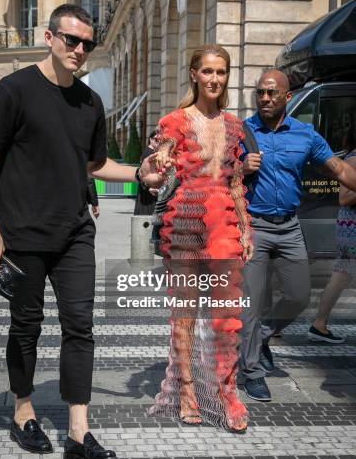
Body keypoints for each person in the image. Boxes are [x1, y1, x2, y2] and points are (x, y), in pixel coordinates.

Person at [0, 4, 160, 459]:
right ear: (49, 37)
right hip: (23, 235)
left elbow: (95, 165)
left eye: (87, 44)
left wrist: (140, 172)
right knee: (27, 327)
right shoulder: (14, 91)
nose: (79, 50)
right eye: (71, 40)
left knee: (81, 328)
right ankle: (23, 411)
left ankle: (79, 431)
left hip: (75, 232)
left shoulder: (90, 103)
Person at [149, 44, 253, 432]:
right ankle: (188, 391)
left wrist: (246, 228)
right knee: (185, 314)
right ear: (194, 74)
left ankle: (228, 393)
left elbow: (237, 182)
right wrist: (154, 165)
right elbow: (154, 165)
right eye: (208, 71)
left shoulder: (234, 126)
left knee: (227, 316)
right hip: (186, 221)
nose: (214, 79)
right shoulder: (174, 121)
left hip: (224, 221)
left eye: (221, 72)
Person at [240, 70, 356, 402]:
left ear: (287, 97)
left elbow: (338, 169)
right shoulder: (242, 133)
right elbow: (216, 173)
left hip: (290, 227)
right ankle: (252, 371)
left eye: (272, 93)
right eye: (260, 92)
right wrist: (239, 167)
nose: (265, 98)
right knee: (250, 302)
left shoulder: (305, 135)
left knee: (299, 295)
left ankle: (261, 337)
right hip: (254, 226)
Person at [309, 122, 356, 343]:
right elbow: (344, 198)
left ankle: (319, 323)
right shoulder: (354, 158)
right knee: (341, 275)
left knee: (341, 275)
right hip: (352, 226)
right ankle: (319, 323)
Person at [133, 130, 159, 215]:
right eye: (156, 139)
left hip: (147, 187)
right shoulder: (149, 153)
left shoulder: (151, 151)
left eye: (161, 140)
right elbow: (146, 172)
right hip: (149, 188)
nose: (158, 142)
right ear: (150, 139)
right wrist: (150, 186)